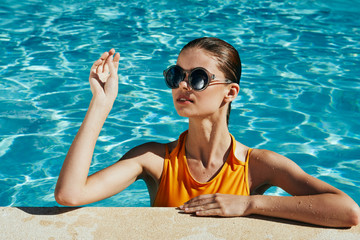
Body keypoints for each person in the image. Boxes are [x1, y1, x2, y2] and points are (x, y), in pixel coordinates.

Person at [55, 37, 360, 227]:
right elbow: (70, 194)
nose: (182, 86)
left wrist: (250, 204)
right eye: (176, 75)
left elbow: (347, 210)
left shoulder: (257, 165)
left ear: (230, 92)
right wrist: (101, 104)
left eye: (198, 78)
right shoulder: (155, 160)